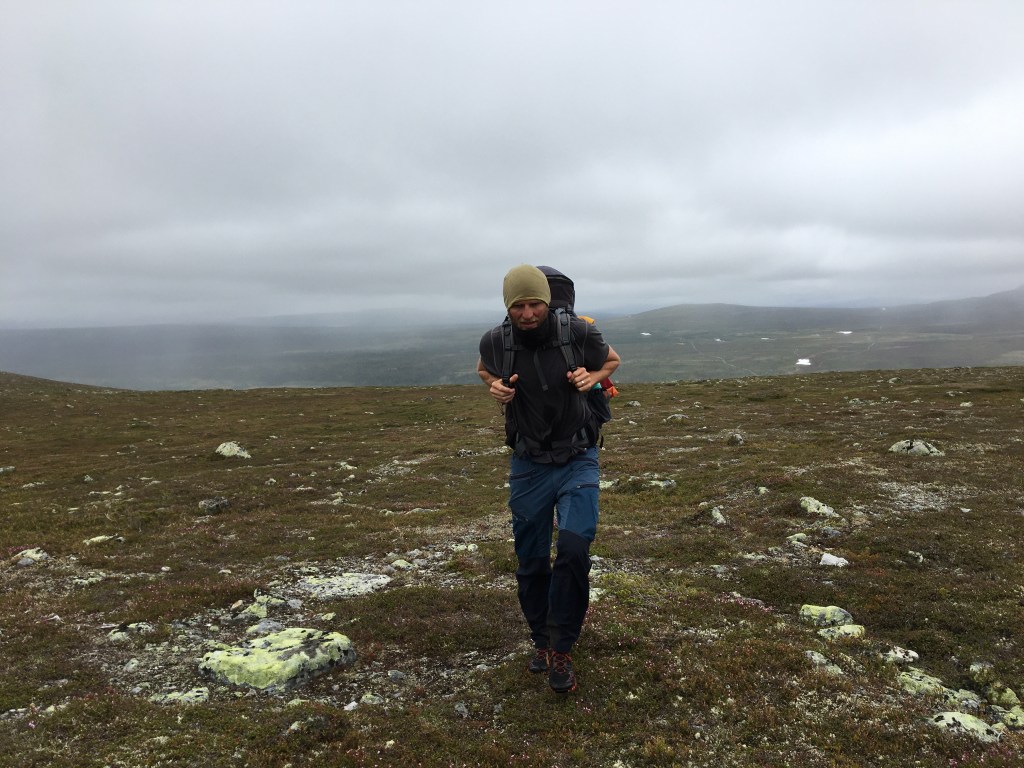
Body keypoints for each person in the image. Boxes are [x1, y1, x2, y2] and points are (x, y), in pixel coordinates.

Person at [476, 264, 620, 693]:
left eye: (534, 304)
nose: (527, 314)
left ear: (547, 301)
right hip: (529, 464)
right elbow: (483, 367)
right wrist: (494, 384)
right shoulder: (496, 341)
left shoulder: (577, 331)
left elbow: (612, 360)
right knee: (532, 559)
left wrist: (592, 377)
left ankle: (562, 647)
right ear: (507, 306)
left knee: (573, 548)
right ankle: (541, 640)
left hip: (578, 456)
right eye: (518, 306)